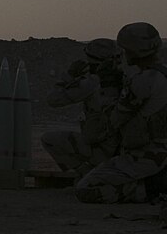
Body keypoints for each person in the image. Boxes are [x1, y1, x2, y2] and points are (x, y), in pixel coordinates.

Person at [74, 22, 167, 204]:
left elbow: (111, 123)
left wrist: (108, 87)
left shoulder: (143, 81)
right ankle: (158, 180)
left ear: (134, 51)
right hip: (165, 150)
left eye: (124, 49)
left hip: (143, 156)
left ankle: (153, 187)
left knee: (85, 189)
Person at [41, 38, 123, 175]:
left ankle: (86, 173)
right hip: (126, 150)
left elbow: (53, 99)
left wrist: (69, 76)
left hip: (103, 150)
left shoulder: (91, 83)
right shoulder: (131, 79)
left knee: (49, 140)